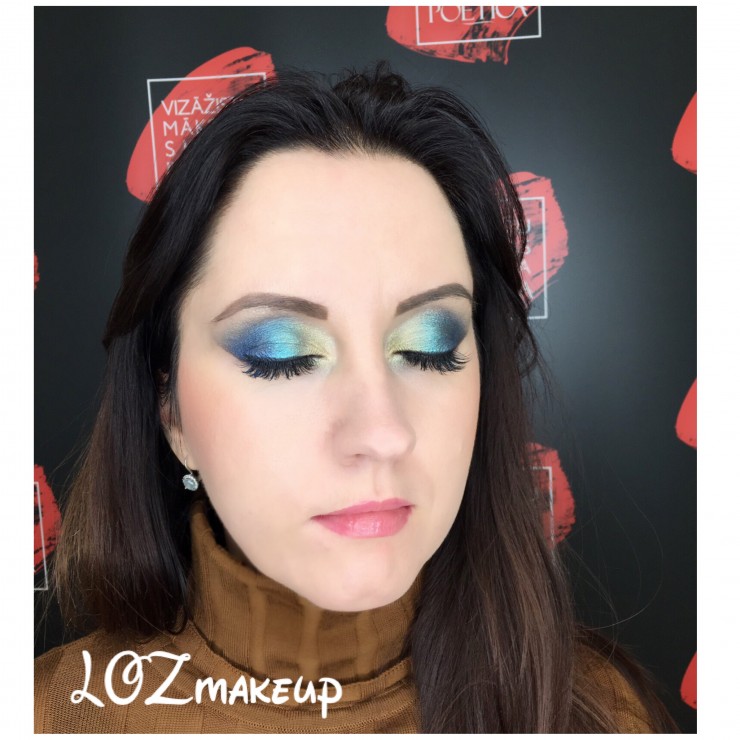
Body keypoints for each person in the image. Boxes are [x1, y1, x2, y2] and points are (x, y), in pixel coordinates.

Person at [34, 60, 678, 733]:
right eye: (283, 354)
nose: (382, 430)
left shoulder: (596, 712)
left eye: (429, 346)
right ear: (171, 414)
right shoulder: (50, 715)